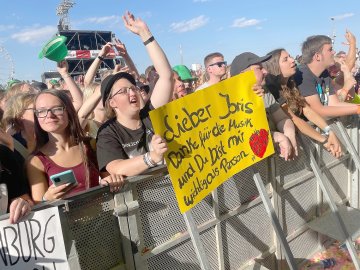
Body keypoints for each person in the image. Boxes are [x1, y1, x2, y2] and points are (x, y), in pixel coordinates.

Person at [96, 11, 172, 177]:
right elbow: (116, 167)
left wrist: (145, 34)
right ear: (112, 103)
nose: (132, 92)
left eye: (133, 88)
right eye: (123, 91)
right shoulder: (108, 132)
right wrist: (152, 157)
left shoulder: (150, 115)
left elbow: (166, 76)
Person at [26, 90, 123, 204]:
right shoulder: (36, 161)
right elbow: (39, 206)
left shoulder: (91, 145)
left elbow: (110, 178)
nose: (49, 115)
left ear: (69, 111)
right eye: (41, 111)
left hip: (103, 217)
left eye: (57, 109)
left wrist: (111, 180)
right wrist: (47, 198)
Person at [263, 49, 342, 158]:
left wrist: (329, 131)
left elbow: (307, 110)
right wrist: (324, 140)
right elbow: (294, 119)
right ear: (275, 67)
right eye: (286, 59)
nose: (292, 60)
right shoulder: (273, 90)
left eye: (290, 56)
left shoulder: (291, 83)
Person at [230, 52, 297, 161]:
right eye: (259, 68)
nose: (265, 71)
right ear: (243, 74)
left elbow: (281, 118)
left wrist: (289, 134)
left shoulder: (264, 91)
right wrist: (275, 136)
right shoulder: (229, 103)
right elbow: (240, 138)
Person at [295, 35, 360, 118]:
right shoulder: (303, 75)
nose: (334, 52)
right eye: (330, 50)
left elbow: (334, 104)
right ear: (317, 56)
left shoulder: (323, 73)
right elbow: (319, 111)